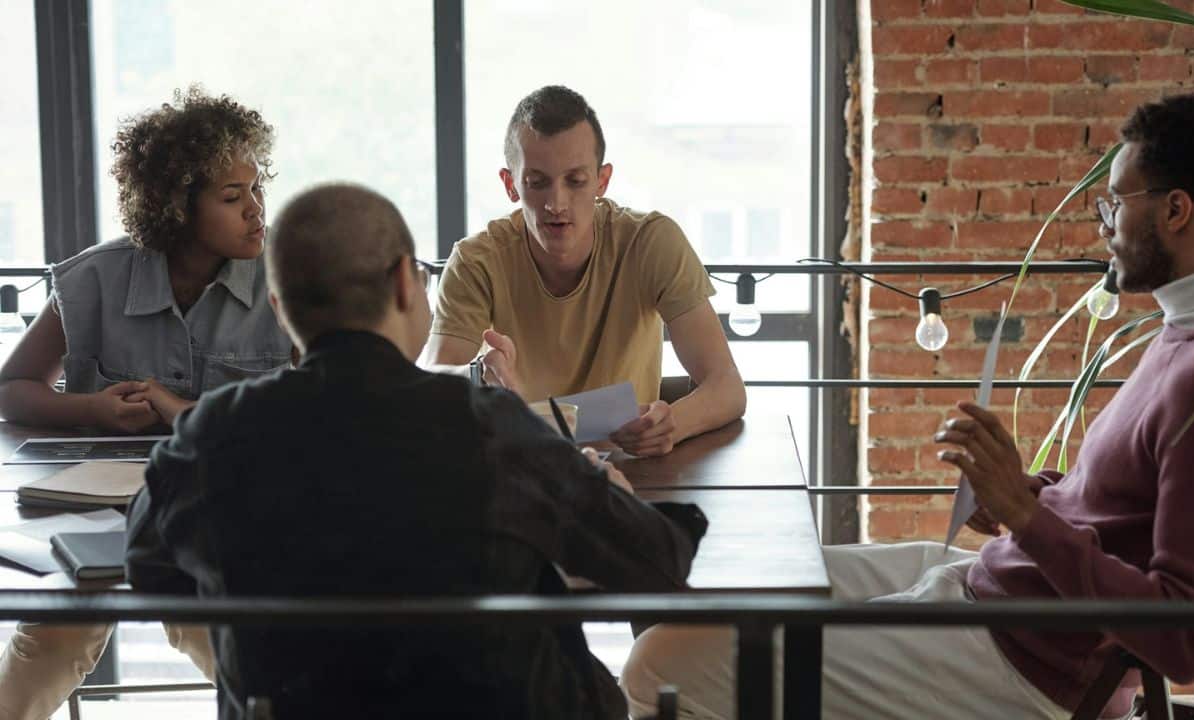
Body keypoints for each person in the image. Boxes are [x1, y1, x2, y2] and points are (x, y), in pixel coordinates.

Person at [621, 94, 1194, 719]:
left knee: (659, 665)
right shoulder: (1193, 334)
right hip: (998, 591)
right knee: (720, 590)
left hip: (1023, 660)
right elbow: (1118, 511)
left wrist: (1025, 516)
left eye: (1115, 204)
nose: (1105, 224)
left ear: (1176, 212)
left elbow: (1188, 640)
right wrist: (1023, 493)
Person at [125, 183, 709, 720]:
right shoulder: (491, 431)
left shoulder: (210, 437)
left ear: (279, 307)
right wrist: (600, 495)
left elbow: (149, 570)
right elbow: (658, 562)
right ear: (407, 282)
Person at [0, 88, 290, 720]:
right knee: (56, 630)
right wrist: (92, 411)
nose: (257, 212)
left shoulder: (285, 282)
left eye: (257, 189)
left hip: (228, 518)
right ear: (176, 207)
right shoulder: (97, 278)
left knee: (224, 636)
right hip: (100, 519)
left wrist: (179, 407)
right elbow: (9, 392)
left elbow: (309, 417)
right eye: (233, 198)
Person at [425, 85, 746, 457]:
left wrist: (671, 425)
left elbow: (727, 386)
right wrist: (476, 375)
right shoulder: (474, 262)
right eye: (537, 182)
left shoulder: (651, 242)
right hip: (520, 471)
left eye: (575, 181)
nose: (556, 203)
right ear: (511, 185)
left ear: (602, 180)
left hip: (632, 475)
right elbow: (433, 387)